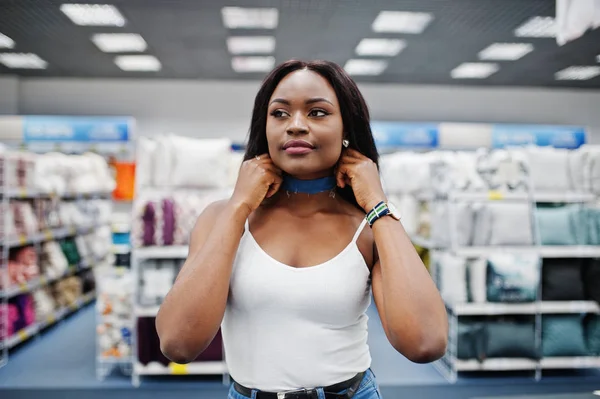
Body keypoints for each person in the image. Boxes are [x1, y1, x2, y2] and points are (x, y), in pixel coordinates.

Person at [155, 60, 448, 399]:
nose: (295, 126)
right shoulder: (221, 217)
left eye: (317, 113)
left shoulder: (369, 227)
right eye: (279, 113)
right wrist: (238, 207)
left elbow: (426, 342)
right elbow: (178, 343)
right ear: (263, 128)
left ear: (346, 129)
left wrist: (377, 204)